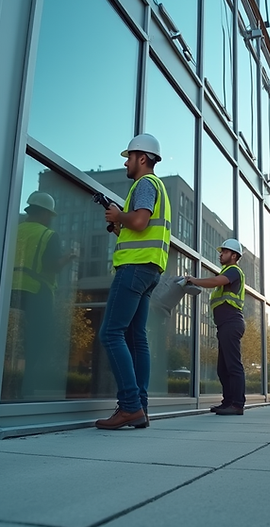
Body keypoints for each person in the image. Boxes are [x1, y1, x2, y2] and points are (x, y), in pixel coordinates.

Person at [95, 133, 172, 430]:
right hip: (150, 270)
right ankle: (140, 407)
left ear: (142, 158)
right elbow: (140, 230)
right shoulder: (158, 188)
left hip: (134, 269)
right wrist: (119, 225)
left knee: (111, 334)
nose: (127, 162)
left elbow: (139, 221)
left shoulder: (144, 184)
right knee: (137, 339)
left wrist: (120, 214)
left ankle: (129, 406)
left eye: (129, 157)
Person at [10, 191, 75, 399]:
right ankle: (28, 389)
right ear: (45, 214)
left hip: (11, 288)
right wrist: (67, 258)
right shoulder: (48, 235)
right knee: (38, 342)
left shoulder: (15, 230)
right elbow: (51, 266)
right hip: (38, 291)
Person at [186, 238, 246, 416]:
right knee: (223, 368)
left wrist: (195, 280)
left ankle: (237, 404)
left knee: (233, 366)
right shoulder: (227, 271)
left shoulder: (234, 271)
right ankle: (228, 402)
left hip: (231, 322)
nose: (221, 254)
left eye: (225, 252)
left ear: (234, 255)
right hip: (225, 325)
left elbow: (216, 282)